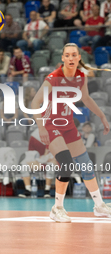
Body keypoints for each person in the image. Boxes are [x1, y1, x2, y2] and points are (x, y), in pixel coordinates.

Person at [31, 43, 111, 223]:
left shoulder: (81, 76)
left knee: (86, 164)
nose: (71, 58)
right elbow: (35, 103)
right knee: (66, 163)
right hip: (52, 125)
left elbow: (86, 98)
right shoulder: (53, 78)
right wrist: (42, 127)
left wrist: (102, 116)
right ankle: (57, 208)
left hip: (68, 126)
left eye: (74, 55)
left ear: (79, 57)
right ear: (62, 58)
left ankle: (99, 206)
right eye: (67, 55)